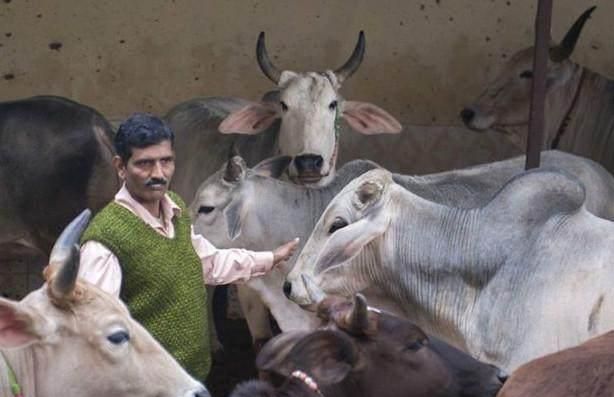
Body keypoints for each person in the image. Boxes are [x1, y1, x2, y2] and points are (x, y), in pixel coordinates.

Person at [78, 113, 299, 382]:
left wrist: (270, 258)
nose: (158, 174)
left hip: (191, 380)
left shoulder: (176, 208)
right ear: (121, 167)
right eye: (144, 164)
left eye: (166, 161)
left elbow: (207, 262)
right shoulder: (105, 240)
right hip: (147, 386)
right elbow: (94, 329)